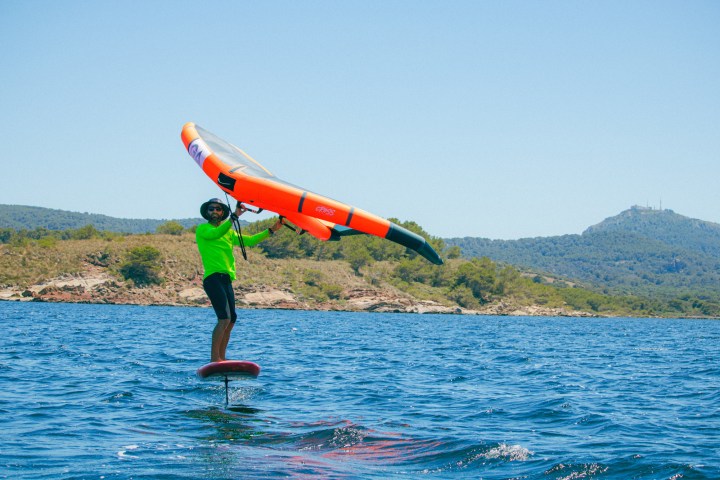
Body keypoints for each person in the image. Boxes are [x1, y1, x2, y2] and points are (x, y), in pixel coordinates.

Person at [195, 198, 283, 362]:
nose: (214, 211)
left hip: (226, 278)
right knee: (224, 318)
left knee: (232, 319)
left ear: (222, 212)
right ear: (207, 212)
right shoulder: (202, 229)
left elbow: (249, 241)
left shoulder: (228, 231)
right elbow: (216, 233)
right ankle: (215, 359)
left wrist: (272, 230)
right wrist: (234, 216)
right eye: (211, 209)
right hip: (212, 278)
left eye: (218, 209)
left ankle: (222, 357)